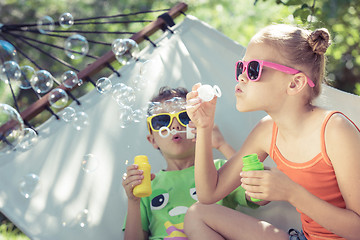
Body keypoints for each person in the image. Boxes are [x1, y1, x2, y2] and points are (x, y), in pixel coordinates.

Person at [184, 24, 360, 240]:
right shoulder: (267, 131)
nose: (241, 77)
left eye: (254, 69)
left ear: (295, 84)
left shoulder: (335, 130)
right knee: (198, 213)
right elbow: (209, 193)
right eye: (241, 67)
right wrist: (203, 126)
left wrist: (292, 193)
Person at [121, 86, 259, 240]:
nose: (174, 126)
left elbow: (257, 193)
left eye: (185, 117)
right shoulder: (146, 187)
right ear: (152, 140)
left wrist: (222, 145)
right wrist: (133, 202)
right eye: (162, 121)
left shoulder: (219, 170)